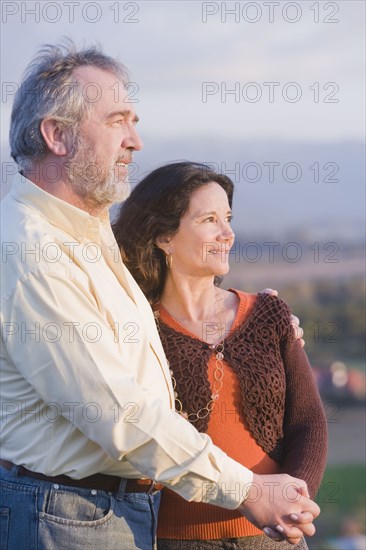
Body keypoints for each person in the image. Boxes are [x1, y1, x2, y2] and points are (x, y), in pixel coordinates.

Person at [0, 42, 319, 550]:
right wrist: (248, 489)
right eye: (118, 121)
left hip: (109, 512)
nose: (136, 141)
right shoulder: (33, 251)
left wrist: (257, 327)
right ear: (56, 135)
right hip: (67, 517)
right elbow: (117, 412)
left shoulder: (87, 236)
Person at [113, 161, 328, 549]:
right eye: (209, 219)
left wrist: (296, 502)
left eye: (227, 218)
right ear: (163, 235)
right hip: (174, 539)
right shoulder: (139, 329)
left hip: (273, 536)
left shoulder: (267, 314)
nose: (227, 233)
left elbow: (308, 422)